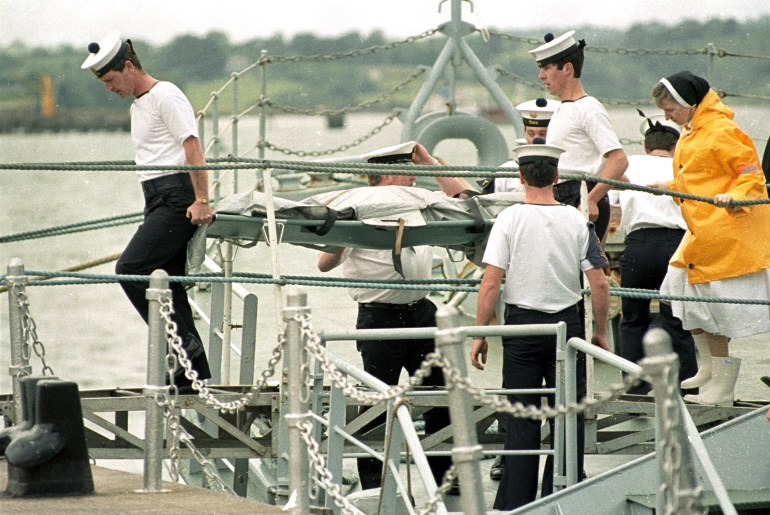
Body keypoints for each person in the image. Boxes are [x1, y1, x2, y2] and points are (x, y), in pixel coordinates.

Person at [316, 142, 466, 492]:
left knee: (439, 397)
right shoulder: (357, 206)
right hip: (379, 318)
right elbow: (323, 264)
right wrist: (345, 233)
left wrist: (430, 162)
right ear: (386, 174)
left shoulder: (422, 201)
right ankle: (375, 484)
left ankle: (444, 477)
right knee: (376, 404)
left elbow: (465, 200)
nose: (414, 176)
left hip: (423, 313)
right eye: (407, 170)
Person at [469, 144, 610, 510]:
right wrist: (601, 332)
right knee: (569, 413)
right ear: (558, 177)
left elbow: (490, 281)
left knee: (521, 416)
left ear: (520, 177)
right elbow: (599, 282)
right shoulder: (578, 221)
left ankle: (514, 502)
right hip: (568, 327)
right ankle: (561, 494)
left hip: (522, 329)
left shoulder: (509, 220)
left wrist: (482, 332)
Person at [81, 32, 212, 389]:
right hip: (154, 197)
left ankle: (184, 344)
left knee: (131, 268)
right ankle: (193, 371)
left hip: (176, 196)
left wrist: (202, 199)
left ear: (127, 66)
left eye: (110, 80)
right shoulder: (139, 105)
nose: (109, 89)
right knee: (166, 282)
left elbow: (192, 146)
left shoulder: (165, 94)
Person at [652, 71, 770, 405]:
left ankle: (722, 387)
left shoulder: (721, 131)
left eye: (670, 108)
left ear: (688, 103)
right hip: (702, 227)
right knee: (675, 287)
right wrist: (669, 188)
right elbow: (700, 179)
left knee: (708, 302)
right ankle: (708, 366)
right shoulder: (690, 133)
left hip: (725, 226)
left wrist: (736, 195)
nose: (666, 117)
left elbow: (751, 174)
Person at [613, 112, 697, 394]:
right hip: (678, 246)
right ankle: (686, 387)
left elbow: (613, 204)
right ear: (676, 146)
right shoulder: (684, 166)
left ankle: (635, 386)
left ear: (646, 147)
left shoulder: (630, 164)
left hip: (639, 245)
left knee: (633, 318)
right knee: (677, 319)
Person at [528, 30, 629, 241]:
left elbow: (618, 160)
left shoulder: (588, 108)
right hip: (562, 193)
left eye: (546, 68)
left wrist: (591, 199)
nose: (541, 76)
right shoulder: (562, 109)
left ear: (567, 69)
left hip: (581, 193)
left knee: (583, 271)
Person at [479, 97, 560, 194]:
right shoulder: (505, 173)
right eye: (531, 134)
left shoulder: (567, 170)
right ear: (524, 133)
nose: (536, 140)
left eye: (543, 134)